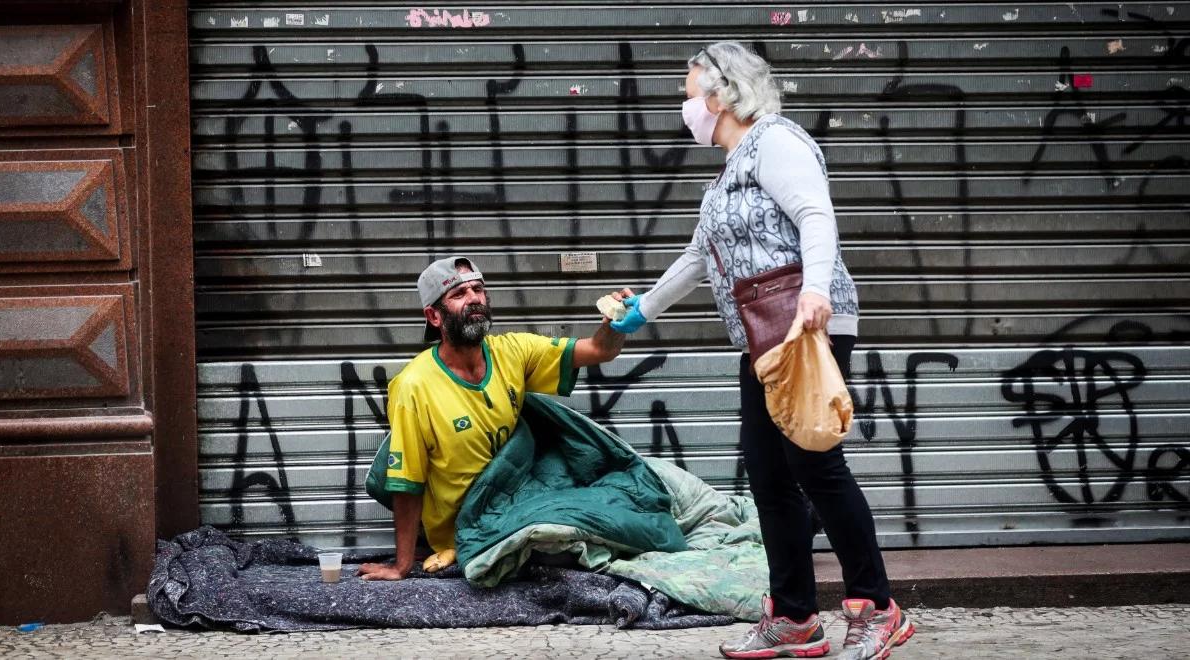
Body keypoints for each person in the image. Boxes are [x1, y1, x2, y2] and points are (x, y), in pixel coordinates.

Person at [609, 42, 914, 660]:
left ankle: (877, 607)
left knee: (817, 468)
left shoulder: (776, 140)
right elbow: (697, 258)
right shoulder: (727, 172)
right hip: (760, 336)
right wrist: (640, 311)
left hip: (804, 325)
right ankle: (795, 618)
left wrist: (817, 293)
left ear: (721, 95)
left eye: (689, 91)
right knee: (770, 477)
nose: (685, 104)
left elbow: (816, 215)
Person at [358, 256, 630, 581]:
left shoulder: (512, 351)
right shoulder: (413, 386)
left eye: (478, 289)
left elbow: (600, 350)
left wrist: (616, 318)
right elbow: (406, 481)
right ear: (433, 316)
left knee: (616, 501)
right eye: (458, 294)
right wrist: (401, 565)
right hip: (467, 526)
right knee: (568, 536)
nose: (474, 298)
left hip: (517, 496)